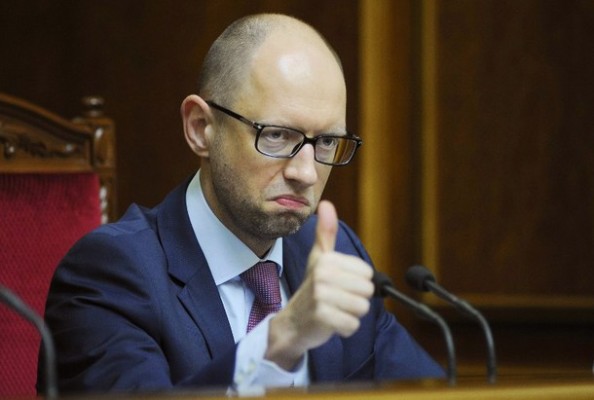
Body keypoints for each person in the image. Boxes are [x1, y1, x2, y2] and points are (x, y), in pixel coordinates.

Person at [38, 13, 444, 393]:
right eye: (277, 136)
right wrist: (281, 339)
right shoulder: (110, 274)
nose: (305, 173)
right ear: (201, 129)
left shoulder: (334, 252)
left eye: (325, 142)